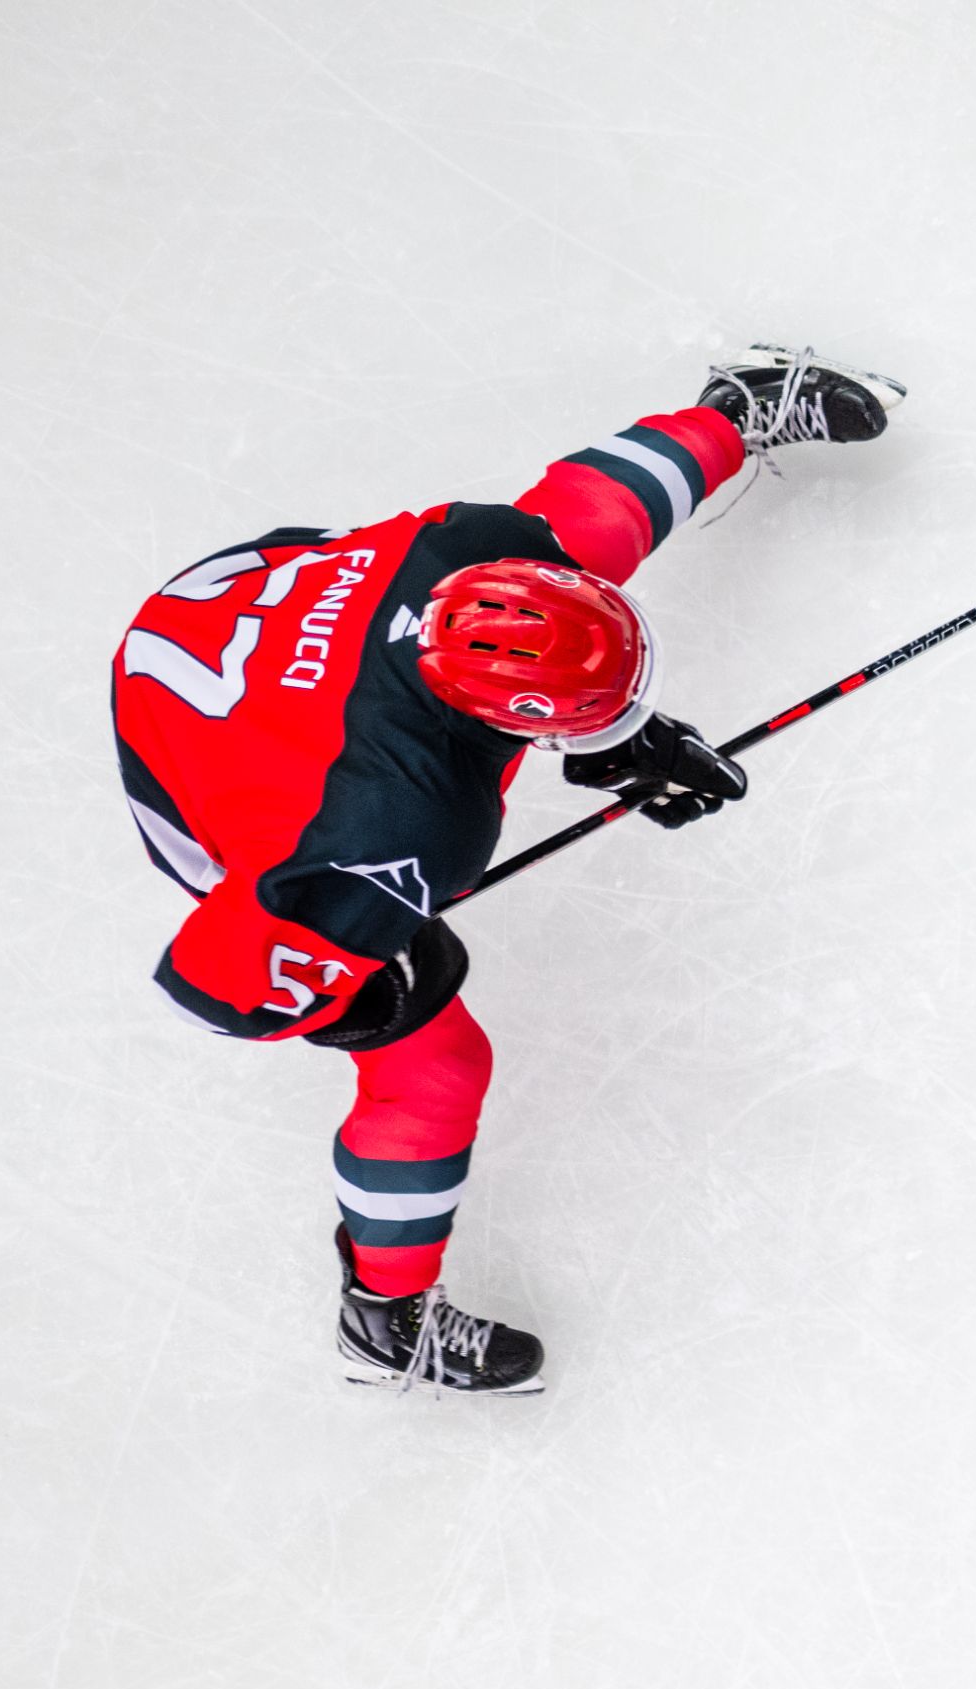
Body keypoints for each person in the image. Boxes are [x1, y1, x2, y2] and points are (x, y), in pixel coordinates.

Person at [111, 348, 903, 1393]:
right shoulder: (389, 838)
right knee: (437, 1068)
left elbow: (597, 506)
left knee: (579, 536)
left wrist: (615, 737)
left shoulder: (483, 548)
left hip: (225, 614)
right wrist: (362, 993)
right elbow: (216, 990)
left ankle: (736, 407)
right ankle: (383, 1319)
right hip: (187, 767)